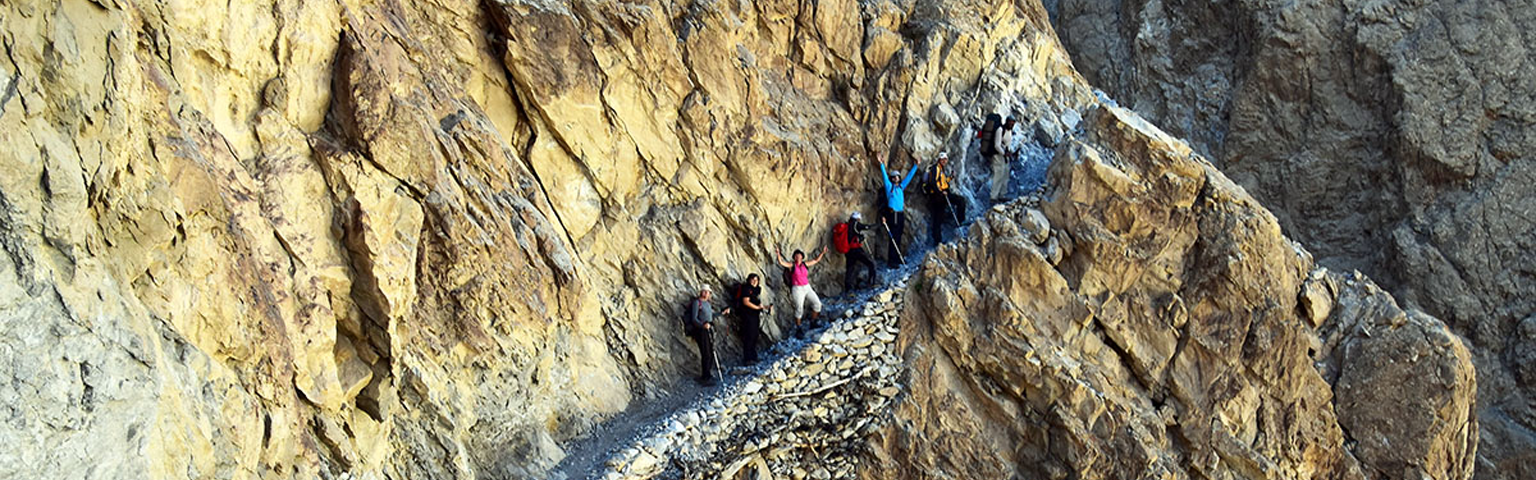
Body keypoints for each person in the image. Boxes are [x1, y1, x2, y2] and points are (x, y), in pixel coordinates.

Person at [684, 286, 729, 385]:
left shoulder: (707, 304)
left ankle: (708, 374)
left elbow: (711, 316)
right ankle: (705, 377)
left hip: (709, 328)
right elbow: (694, 319)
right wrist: (702, 325)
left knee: (710, 351)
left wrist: (722, 313)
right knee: (706, 352)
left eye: (707, 292)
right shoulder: (697, 303)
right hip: (701, 330)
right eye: (703, 291)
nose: (705, 293)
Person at [775, 246, 826, 332]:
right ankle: (799, 328)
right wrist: (778, 254)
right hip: (797, 289)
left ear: (802, 257)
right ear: (794, 257)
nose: (798, 257)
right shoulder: (792, 265)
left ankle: (813, 322)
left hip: (807, 287)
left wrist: (822, 252)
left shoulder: (805, 264)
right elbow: (782, 263)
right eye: (796, 256)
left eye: (799, 256)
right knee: (799, 309)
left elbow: (816, 260)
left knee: (817, 304)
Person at [879, 158, 919, 267]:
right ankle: (892, 261)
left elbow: (909, 178)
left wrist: (915, 166)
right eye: (894, 177)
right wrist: (881, 163)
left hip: (900, 214)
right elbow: (884, 176)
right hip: (893, 214)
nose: (896, 178)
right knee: (893, 237)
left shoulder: (901, 187)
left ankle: (898, 258)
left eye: (898, 176)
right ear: (892, 178)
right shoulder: (889, 187)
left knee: (899, 237)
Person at [922, 152, 967, 243]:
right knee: (939, 216)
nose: (944, 161)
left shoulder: (941, 169)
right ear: (939, 159)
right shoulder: (936, 168)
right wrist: (941, 192)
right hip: (939, 196)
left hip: (942, 194)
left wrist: (950, 177)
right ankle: (938, 239)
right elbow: (933, 183)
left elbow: (942, 182)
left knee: (939, 217)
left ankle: (938, 239)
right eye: (943, 159)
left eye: (945, 159)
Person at [731, 274, 772, 365]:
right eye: (752, 279)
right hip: (747, 315)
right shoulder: (746, 289)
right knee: (749, 336)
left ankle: (753, 356)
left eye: (756, 280)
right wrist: (757, 308)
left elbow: (756, 301)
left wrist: (763, 307)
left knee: (754, 335)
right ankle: (748, 358)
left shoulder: (756, 290)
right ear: (749, 280)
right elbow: (745, 302)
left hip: (754, 315)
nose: (754, 281)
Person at [837, 212, 878, 293]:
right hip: (856, 250)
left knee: (850, 269)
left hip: (848, 251)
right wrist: (879, 224)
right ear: (857, 218)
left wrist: (860, 238)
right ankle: (871, 283)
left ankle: (848, 289)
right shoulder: (856, 224)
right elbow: (867, 227)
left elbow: (853, 236)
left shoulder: (848, 225)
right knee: (871, 263)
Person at [990, 117, 1018, 201]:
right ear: (1006, 122)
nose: (1011, 125)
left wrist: (1012, 153)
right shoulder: (1000, 130)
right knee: (999, 175)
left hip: (1005, 156)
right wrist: (1004, 153)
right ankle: (993, 196)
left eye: (1013, 123)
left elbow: (1007, 145)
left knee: (1005, 175)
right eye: (1010, 123)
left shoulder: (1009, 131)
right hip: (998, 155)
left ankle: (1002, 194)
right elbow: (997, 145)